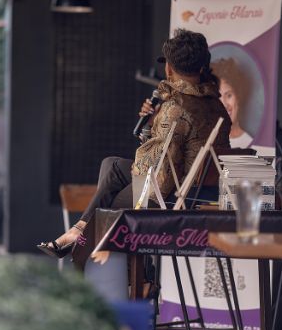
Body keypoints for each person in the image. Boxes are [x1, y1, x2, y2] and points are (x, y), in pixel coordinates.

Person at [37, 29, 231, 258]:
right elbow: (172, 153)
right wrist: (152, 123)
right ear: (202, 67)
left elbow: (160, 172)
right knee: (111, 165)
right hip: (200, 191)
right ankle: (79, 232)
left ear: (169, 68)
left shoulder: (175, 107)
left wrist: (153, 127)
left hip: (174, 195)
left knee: (105, 207)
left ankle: (86, 242)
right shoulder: (216, 105)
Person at [211, 57, 253, 148]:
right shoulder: (200, 143)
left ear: (238, 97)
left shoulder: (251, 144)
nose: (224, 105)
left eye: (229, 95)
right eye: (218, 97)